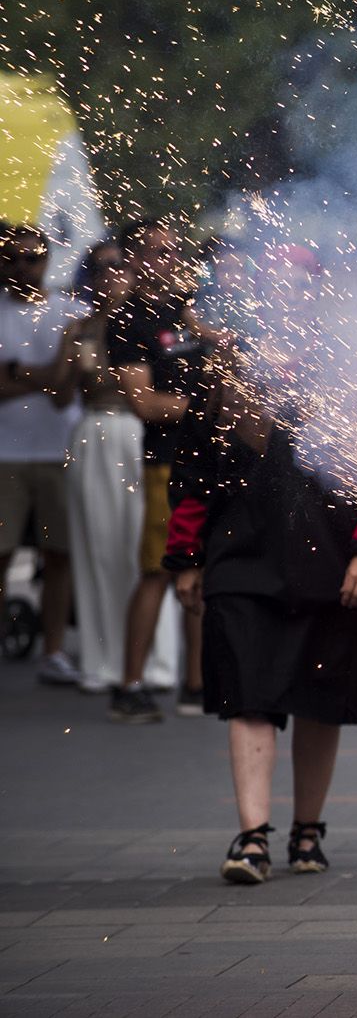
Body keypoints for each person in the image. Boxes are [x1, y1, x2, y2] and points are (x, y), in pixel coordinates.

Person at [164, 296, 357, 885]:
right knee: (248, 695)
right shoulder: (224, 386)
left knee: (320, 701)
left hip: (330, 568)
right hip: (243, 566)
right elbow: (193, 481)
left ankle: (306, 830)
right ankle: (252, 839)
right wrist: (186, 560)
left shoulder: (352, 384)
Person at [105, 218, 207, 722]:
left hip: (205, 460)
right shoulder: (128, 320)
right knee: (157, 573)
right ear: (133, 258)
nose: (164, 260)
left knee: (203, 569)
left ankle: (196, 684)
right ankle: (129, 686)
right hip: (164, 464)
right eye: (152, 251)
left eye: (170, 251)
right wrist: (205, 407)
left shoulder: (187, 312)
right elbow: (143, 403)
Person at [52, 242, 152, 695]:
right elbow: (59, 395)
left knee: (144, 549)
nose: (115, 275)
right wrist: (68, 358)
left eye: (122, 266)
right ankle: (101, 658)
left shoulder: (152, 323)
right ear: (90, 277)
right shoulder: (80, 330)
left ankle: (151, 659)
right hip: (96, 434)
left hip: (140, 436)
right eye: (103, 268)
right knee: (96, 546)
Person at [0, 223, 82, 687]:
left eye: (31, 257)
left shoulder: (70, 311)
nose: (22, 266)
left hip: (57, 450)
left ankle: (53, 651)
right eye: (13, 258)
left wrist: (16, 373)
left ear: (47, 260)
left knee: (58, 555)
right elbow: (53, 381)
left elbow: (62, 391)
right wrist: (47, 372)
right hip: (4, 454)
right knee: (2, 552)